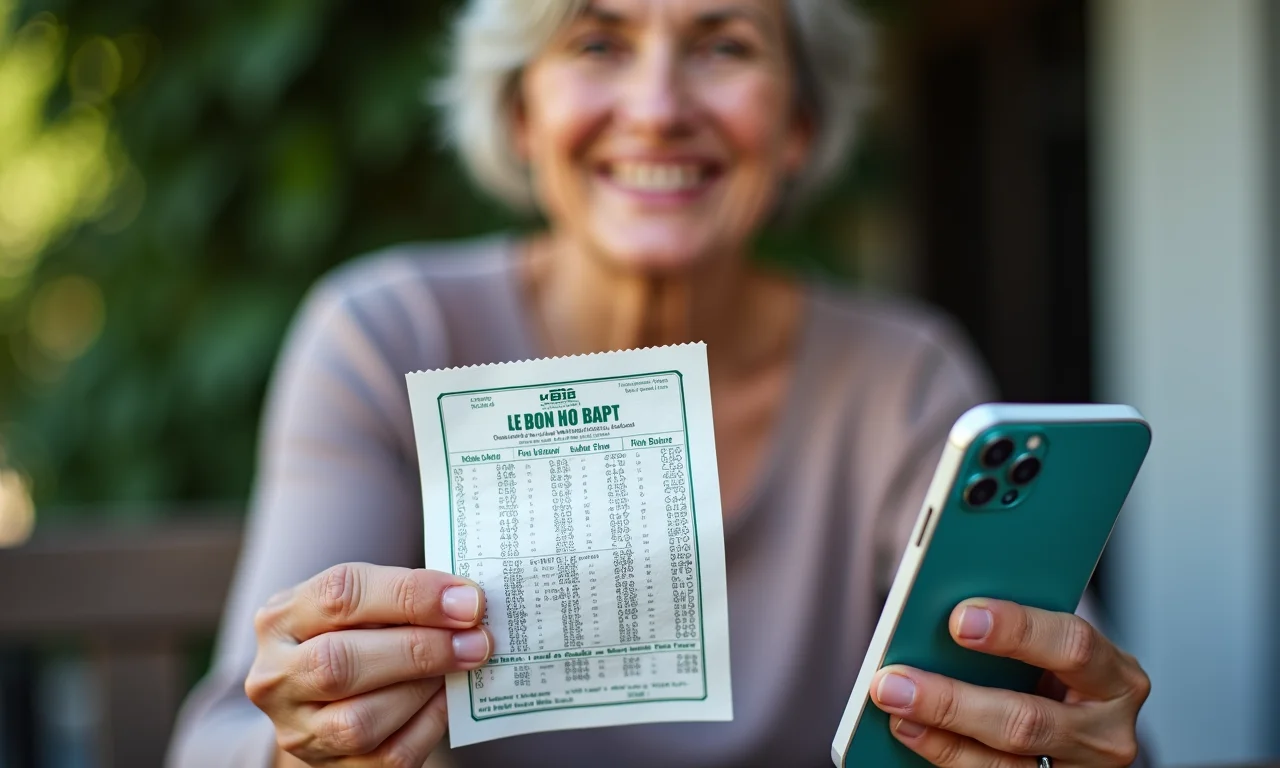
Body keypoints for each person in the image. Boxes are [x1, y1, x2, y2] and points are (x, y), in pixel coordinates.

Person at [168, 1, 1152, 766]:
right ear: (521, 112)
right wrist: (313, 745)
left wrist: (1070, 740)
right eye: (596, 43)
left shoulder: (896, 379)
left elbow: (1079, 723)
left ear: (798, 124)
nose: (656, 107)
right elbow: (216, 748)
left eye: (723, 46)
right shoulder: (388, 338)